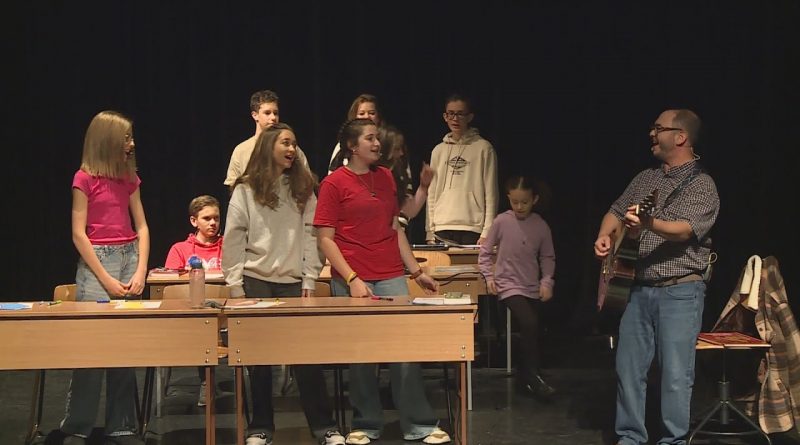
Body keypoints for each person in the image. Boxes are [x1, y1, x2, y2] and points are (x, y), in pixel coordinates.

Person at [314, 118, 451, 445]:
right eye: (370, 138)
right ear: (352, 146)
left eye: (377, 138)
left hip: (390, 273)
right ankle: (366, 424)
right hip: (354, 278)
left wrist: (416, 272)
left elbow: (395, 228)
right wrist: (352, 278)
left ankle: (419, 424)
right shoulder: (334, 184)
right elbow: (325, 240)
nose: (377, 144)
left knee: (404, 352)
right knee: (362, 355)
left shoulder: (386, 177)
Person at [593, 109, 719, 445]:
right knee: (628, 369)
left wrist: (649, 223)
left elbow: (685, 230)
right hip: (636, 288)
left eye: (658, 128)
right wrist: (605, 235)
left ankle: (673, 440)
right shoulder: (645, 178)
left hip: (680, 291)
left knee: (676, 373)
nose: (651, 133)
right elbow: (616, 211)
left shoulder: (702, 185)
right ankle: (630, 437)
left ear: (680, 137)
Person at [222, 123, 345, 445]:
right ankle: (260, 427)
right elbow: (234, 239)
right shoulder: (245, 189)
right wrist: (235, 287)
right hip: (255, 282)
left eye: (294, 143)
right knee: (258, 362)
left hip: (294, 283)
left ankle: (325, 427)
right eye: (285, 143)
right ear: (268, 147)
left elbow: (312, 235)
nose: (292, 149)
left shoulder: (303, 187)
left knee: (307, 359)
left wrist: (309, 278)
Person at [61, 110, 150, 445]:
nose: (131, 143)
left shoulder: (129, 178)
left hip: (129, 258)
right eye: (126, 137)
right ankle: (77, 425)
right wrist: (106, 280)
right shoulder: (84, 179)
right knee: (91, 349)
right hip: (98, 263)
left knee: (124, 349)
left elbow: (142, 226)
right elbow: (78, 233)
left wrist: (141, 270)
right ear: (108, 140)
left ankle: (122, 425)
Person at [478, 175, 556, 401]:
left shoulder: (540, 226)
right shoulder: (502, 221)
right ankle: (532, 377)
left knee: (533, 328)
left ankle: (527, 374)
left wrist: (547, 281)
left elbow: (547, 256)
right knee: (529, 322)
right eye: (515, 202)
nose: (519, 207)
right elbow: (485, 252)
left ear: (535, 200)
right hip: (507, 284)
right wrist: (489, 277)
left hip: (530, 285)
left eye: (524, 202)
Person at [164, 194, 223, 406]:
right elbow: (169, 287)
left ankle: (209, 382)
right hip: (190, 318)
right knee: (201, 323)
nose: (213, 223)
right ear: (194, 221)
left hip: (222, 317)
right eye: (207, 218)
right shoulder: (179, 249)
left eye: (216, 218)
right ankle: (207, 381)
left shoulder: (229, 246)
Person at [426, 93, 498, 246]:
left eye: (460, 114)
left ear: (470, 117)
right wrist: (429, 230)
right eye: (451, 114)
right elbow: (431, 192)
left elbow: (491, 193)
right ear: (445, 117)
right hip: (442, 226)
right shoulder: (438, 150)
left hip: (472, 227)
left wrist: (487, 231)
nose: (455, 119)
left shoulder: (484, 148)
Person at [224, 89, 308, 187]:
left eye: (275, 113)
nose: (273, 118)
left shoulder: (292, 150)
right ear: (255, 115)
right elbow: (233, 187)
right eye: (267, 113)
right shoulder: (241, 150)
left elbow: (306, 182)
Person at [327, 93, 384, 175]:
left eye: (371, 113)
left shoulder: (389, 140)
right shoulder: (344, 145)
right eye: (361, 113)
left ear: (378, 117)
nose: (367, 117)